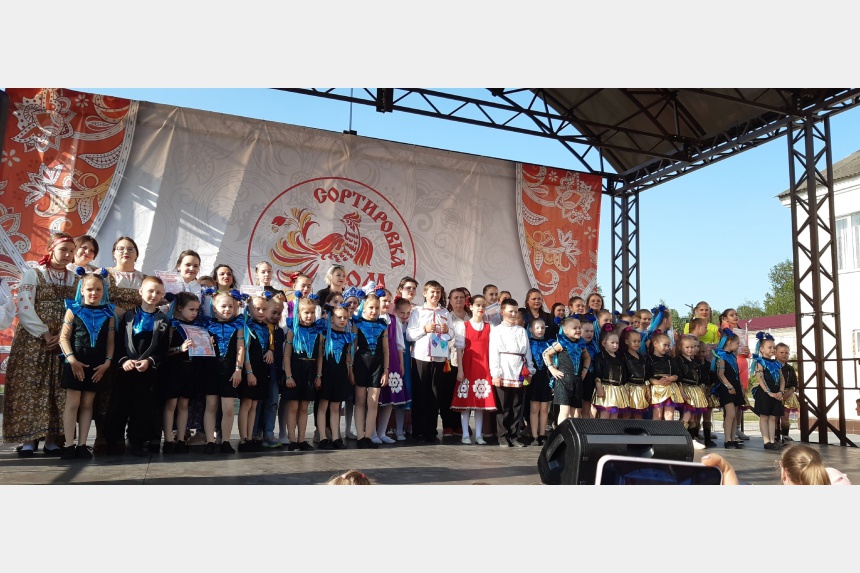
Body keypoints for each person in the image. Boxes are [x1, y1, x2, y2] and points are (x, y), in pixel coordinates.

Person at [4, 232, 77, 457]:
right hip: (34, 340)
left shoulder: (75, 278)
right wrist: (45, 334)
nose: (67, 254)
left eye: (71, 251)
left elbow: (78, 308)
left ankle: (52, 439)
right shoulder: (33, 274)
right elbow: (25, 306)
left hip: (63, 341)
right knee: (31, 386)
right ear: (51, 249)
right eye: (63, 249)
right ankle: (29, 440)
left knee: (58, 389)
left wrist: (64, 335)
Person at [106, 276, 169, 456]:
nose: (153, 295)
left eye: (158, 292)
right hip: (126, 369)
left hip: (147, 371)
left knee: (143, 406)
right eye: (150, 291)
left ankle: (137, 440)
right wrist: (124, 360)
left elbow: (162, 349)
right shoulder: (128, 316)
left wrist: (150, 361)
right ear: (141, 291)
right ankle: (113, 440)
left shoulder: (163, 320)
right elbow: (118, 343)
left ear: (162, 295)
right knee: (119, 405)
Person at [58, 269, 115, 459]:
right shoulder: (73, 310)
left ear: (103, 291)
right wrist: (72, 360)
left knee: (88, 403)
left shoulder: (108, 313)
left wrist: (107, 363)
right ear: (82, 290)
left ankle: (82, 444)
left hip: (97, 365)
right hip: (75, 361)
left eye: (98, 289)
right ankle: (69, 444)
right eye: (89, 289)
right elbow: (64, 338)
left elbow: (110, 341)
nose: (94, 293)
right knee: (73, 402)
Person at [407, 280, 451, 443]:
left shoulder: (445, 312)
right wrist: (424, 329)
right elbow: (409, 335)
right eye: (432, 292)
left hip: (439, 358)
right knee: (420, 394)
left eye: (438, 292)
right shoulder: (417, 312)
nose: (435, 295)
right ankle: (418, 431)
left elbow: (451, 335)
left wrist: (447, 331)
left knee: (435, 394)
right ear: (425, 293)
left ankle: (431, 431)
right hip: (421, 357)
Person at [201, 290, 245, 454]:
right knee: (211, 406)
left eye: (230, 306)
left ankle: (226, 440)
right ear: (214, 308)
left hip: (230, 371)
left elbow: (240, 348)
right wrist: (207, 342)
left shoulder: (237, 325)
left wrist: (238, 369)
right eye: (223, 306)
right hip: (211, 370)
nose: (227, 309)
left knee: (228, 408)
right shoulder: (207, 325)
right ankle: (210, 441)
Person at [451, 294, 496, 445]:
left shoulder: (490, 327)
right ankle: (465, 434)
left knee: (480, 402)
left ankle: (478, 435)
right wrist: (460, 370)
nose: (481, 308)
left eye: (483, 306)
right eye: (477, 305)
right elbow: (459, 350)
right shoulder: (463, 326)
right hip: (468, 366)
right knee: (466, 402)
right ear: (470, 307)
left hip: (484, 368)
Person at [161, 292, 203, 453]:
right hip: (173, 369)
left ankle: (180, 438)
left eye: (197, 310)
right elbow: (163, 351)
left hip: (190, 369)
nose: (194, 313)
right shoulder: (172, 325)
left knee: (184, 404)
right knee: (171, 403)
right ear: (179, 308)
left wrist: (206, 344)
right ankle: (168, 439)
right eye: (191, 309)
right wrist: (180, 348)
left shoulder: (197, 327)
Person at [490, 298, 535, 447]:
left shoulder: (521, 330)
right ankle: (502, 436)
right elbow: (493, 353)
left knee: (517, 405)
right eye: (511, 311)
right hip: (504, 369)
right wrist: (496, 373)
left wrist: (529, 369)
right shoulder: (497, 330)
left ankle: (514, 435)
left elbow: (527, 351)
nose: (514, 314)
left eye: (516, 311)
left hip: (519, 370)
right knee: (504, 406)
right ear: (502, 312)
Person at [283, 292, 322, 451]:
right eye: (306, 312)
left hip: (310, 371)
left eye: (312, 312)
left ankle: (302, 439)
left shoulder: (317, 331)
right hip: (296, 369)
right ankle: (292, 439)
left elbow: (320, 355)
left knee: (305, 407)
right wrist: (288, 376)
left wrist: (318, 375)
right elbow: (287, 355)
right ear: (299, 313)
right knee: (293, 407)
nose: (309, 315)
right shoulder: (293, 330)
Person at [316, 303, 355, 450]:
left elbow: (348, 358)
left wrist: (350, 373)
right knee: (323, 405)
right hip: (326, 373)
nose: (342, 320)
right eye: (339, 317)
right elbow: (320, 355)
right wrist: (319, 375)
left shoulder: (347, 336)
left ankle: (336, 437)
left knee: (335, 406)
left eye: (345, 317)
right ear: (332, 318)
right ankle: (322, 437)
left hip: (340, 374)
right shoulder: (324, 334)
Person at [353, 292, 390, 449]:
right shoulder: (358, 324)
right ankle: (360, 437)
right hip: (361, 363)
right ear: (364, 308)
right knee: (360, 401)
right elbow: (353, 348)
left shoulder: (383, 324)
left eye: (376, 308)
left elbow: (386, 349)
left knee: (373, 401)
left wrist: (386, 370)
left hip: (377, 364)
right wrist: (350, 369)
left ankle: (369, 436)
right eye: (371, 308)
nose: (374, 311)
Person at [236, 294, 271, 452]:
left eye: (264, 309)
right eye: (257, 309)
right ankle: (243, 438)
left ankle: (250, 436)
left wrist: (270, 350)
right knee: (246, 404)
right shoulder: (246, 326)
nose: (261, 312)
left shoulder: (266, 327)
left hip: (261, 370)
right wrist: (249, 372)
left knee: (254, 405)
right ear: (249, 310)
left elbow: (267, 346)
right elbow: (245, 351)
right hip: (249, 370)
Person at [543, 315, 588, 425]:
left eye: (579, 327)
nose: (578, 330)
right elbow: (546, 354)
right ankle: (562, 433)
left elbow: (587, 358)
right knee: (565, 411)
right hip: (564, 380)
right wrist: (552, 369)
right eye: (574, 328)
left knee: (575, 412)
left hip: (577, 380)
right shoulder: (561, 343)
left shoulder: (581, 344)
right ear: (565, 330)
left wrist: (585, 370)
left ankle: (572, 432)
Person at [375, 288, 406, 444]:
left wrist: (401, 363)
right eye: (384, 301)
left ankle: (382, 432)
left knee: (389, 398)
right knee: (375, 398)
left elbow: (399, 344)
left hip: (392, 360)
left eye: (389, 301)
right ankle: (371, 432)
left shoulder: (394, 319)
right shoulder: (372, 319)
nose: (387, 304)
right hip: (376, 361)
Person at [441, 287, 470, 438]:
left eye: (461, 297)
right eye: (455, 297)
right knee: (448, 392)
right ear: (450, 301)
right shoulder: (446, 317)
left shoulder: (471, 317)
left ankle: (461, 424)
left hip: (469, 359)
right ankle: (448, 424)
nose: (459, 300)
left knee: (464, 392)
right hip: (450, 359)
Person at [750, 332, 786, 450]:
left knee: (773, 417)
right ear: (761, 349)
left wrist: (781, 391)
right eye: (769, 347)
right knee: (764, 416)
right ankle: (766, 441)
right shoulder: (760, 362)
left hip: (776, 392)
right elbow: (760, 377)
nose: (772, 350)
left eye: (774, 348)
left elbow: (781, 378)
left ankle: (772, 440)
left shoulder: (776, 363)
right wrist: (768, 392)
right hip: (765, 393)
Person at [675, 334, 710, 449]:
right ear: (681, 347)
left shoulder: (694, 361)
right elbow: (678, 378)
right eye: (687, 347)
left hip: (694, 390)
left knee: (693, 417)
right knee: (687, 415)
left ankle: (691, 437)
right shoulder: (679, 360)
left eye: (693, 347)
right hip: (686, 389)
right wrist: (681, 392)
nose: (690, 350)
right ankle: (681, 437)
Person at [713, 328, 743, 448]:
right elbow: (720, 374)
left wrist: (740, 386)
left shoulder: (733, 356)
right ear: (730, 343)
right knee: (730, 414)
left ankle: (733, 438)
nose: (739, 345)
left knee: (734, 414)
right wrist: (729, 386)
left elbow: (737, 373)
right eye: (737, 343)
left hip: (735, 386)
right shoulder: (722, 356)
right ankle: (727, 440)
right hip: (726, 388)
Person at [590, 325, 628, 419]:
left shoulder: (620, 359)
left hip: (618, 390)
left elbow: (623, 375)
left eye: (617, 343)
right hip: (606, 389)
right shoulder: (600, 357)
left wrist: (625, 388)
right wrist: (599, 387)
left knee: (615, 415)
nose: (615, 345)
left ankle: (612, 429)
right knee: (605, 414)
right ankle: (603, 429)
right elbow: (597, 373)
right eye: (612, 343)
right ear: (604, 343)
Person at [645, 331, 683, 421]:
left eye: (668, 346)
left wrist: (672, 378)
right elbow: (647, 377)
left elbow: (678, 374)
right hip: (657, 390)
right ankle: (656, 430)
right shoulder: (649, 359)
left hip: (670, 389)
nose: (667, 348)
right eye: (664, 345)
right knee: (657, 416)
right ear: (655, 344)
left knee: (669, 415)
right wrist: (658, 382)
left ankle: (669, 430)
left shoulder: (670, 360)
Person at [620, 327, 649, 419]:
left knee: (638, 413)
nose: (637, 343)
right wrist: (625, 388)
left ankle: (638, 428)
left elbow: (646, 374)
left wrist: (647, 387)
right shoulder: (624, 357)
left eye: (639, 341)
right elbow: (623, 374)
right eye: (634, 341)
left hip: (640, 388)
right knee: (627, 413)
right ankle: (624, 428)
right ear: (627, 341)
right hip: (629, 388)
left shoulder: (642, 357)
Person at [775, 342, 798, 444]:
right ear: (775, 353)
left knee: (785, 417)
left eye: (786, 353)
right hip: (775, 395)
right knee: (774, 417)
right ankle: (775, 436)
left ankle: (785, 436)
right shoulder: (772, 366)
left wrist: (789, 392)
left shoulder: (790, 369)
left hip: (787, 395)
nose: (784, 355)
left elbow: (795, 384)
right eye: (781, 352)